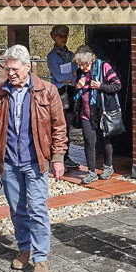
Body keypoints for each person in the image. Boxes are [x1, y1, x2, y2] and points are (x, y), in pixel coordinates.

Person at [0, 45, 68, 272]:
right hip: (10, 162)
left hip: (36, 162)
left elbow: (59, 127)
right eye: (7, 68)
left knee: (38, 209)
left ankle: (40, 258)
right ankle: (24, 248)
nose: (9, 73)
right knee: (17, 209)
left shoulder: (47, 91)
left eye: (14, 68)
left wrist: (58, 158)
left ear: (28, 66)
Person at [72, 46, 122, 184]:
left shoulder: (104, 67)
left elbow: (117, 85)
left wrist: (101, 86)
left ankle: (108, 166)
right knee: (89, 142)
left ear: (92, 60)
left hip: (102, 111)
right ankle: (91, 171)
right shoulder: (80, 72)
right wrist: (77, 86)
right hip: (85, 112)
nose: (82, 67)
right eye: (80, 64)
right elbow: (75, 95)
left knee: (105, 140)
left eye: (85, 64)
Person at [46, 25, 80, 169]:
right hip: (59, 93)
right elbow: (59, 76)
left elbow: (76, 73)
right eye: (60, 36)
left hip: (71, 92)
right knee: (59, 125)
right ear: (54, 37)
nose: (63, 39)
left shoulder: (71, 54)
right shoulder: (52, 56)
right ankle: (58, 157)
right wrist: (69, 76)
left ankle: (66, 157)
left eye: (65, 36)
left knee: (68, 126)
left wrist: (70, 77)